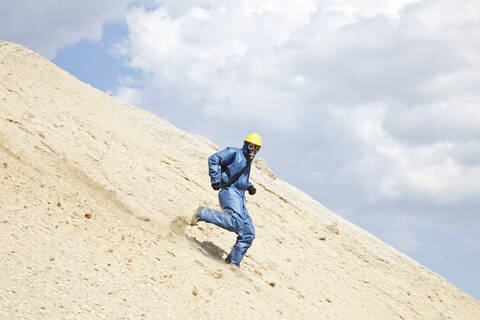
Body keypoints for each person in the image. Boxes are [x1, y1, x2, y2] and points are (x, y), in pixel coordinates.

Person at [191, 133, 262, 267]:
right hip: (229, 192)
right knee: (236, 222)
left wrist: (250, 186)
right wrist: (215, 179)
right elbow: (214, 159)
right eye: (252, 146)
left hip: (240, 196)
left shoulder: (248, 162)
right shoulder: (234, 153)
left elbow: (240, 179)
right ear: (246, 144)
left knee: (248, 233)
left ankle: (232, 264)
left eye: (257, 148)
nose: (253, 150)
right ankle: (203, 213)